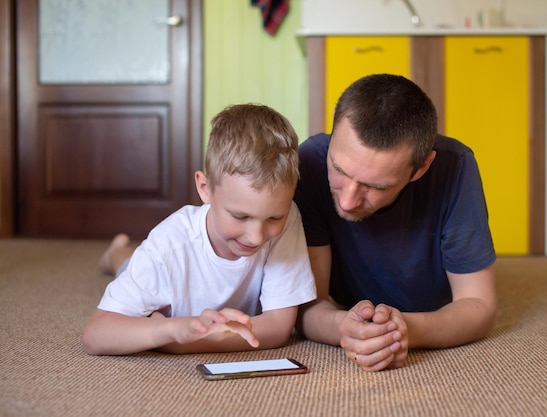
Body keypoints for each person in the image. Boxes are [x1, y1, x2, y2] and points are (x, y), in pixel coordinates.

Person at [294, 74, 497, 372]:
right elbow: (308, 305)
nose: (349, 200)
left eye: (375, 186)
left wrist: (405, 330)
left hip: (431, 307)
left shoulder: (456, 166)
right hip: (348, 305)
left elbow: (479, 305)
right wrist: (342, 326)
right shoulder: (310, 160)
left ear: (421, 167)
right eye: (339, 169)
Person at [83, 104, 317, 355]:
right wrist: (169, 330)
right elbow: (96, 334)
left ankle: (119, 251)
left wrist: (181, 344)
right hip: (156, 263)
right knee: (129, 267)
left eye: (274, 217)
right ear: (205, 188)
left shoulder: (288, 216)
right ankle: (116, 252)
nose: (256, 236)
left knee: (134, 267)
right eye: (240, 216)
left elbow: (279, 328)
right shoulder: (167, 246)